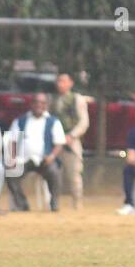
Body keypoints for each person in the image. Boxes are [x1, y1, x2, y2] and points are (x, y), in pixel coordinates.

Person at [4, 93, 65, 212]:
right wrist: (12, 158)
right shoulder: (20, 121)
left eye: (42, 103)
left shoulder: (53, 122)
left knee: (54, 172)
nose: (39, 105)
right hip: (24, 160)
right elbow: (12, 141)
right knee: (10, 172)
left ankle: (54, 203)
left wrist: (52, 156)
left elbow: (59, 143)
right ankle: (22, 204)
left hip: (45, 160)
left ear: (46, 105)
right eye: (36, 102)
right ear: (31, 104)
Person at [52, 72, 89, 209]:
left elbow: (84, 122)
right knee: (53, 174)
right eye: (58, 81)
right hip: (55, 142)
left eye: (63, 81)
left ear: (70, 83)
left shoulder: (77, 99)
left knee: (74, 175)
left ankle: (77, 205)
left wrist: (72, 136)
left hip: (71, 141)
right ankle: (53, 205)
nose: (60, 84)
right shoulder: (53, 100)